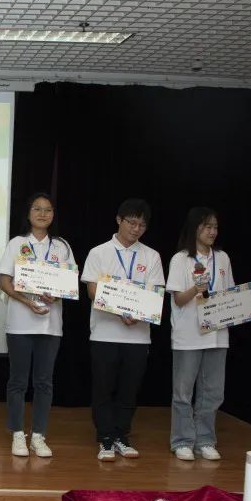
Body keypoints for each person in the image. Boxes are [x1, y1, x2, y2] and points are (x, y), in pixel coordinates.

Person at [167, 207, 251, 461]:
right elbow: (178, 299)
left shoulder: (223, 258)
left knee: (213, 391)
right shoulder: (180, 259)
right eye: (207, 226)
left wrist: (249, 302)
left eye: (215, 227)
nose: (212, 232)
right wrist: (195, 289)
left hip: (218, 334)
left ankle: (205, 440)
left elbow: (229, 296)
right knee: (183, 391)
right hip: (188, 335)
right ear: (194, 228)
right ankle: (182, 441)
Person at [81, 198, 165, 462]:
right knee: (104, 388)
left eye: (142, 225)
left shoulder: (151, 256)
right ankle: (105, 437)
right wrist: (120, 312)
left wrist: (136, 314)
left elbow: (155, 294)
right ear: (119, 220)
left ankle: (121, 435)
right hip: (104, 333)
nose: (136, 229)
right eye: (132, 222)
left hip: (138, 337)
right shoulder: (99, 252)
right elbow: (92, 290)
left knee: (130, 389)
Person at [0, 192, 73, 458]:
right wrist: (27, 302)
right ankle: (18, 434)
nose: (43, 214)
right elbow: (4, 282)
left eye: (48, 209)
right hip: (20, 324)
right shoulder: (17, 243)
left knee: (44, 382)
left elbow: (69, 284)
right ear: (28, 213)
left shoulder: (61, 246)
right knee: (18, 381)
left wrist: (57, 295)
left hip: (50, 326)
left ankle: (39, 435)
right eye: (37, 209)